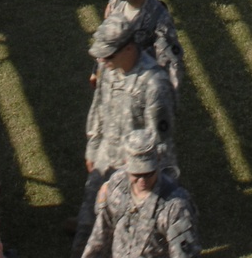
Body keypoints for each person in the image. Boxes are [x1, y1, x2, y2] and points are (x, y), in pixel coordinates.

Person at [70, 17, 178, 256]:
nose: (102, 61)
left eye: (108, 56)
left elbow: (161, 144)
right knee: (87, 232)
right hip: (104, 161)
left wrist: (128, 183)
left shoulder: (154, 85)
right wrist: (93, 147)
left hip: (133, 174)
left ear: (128, 48)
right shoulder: (110, 69)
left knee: (125, 240)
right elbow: (98, 107)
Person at [81, 130, 199, 258]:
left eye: (148, 173)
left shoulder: (175, 206)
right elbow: (101, 234)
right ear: (126, 162)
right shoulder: (117, 185)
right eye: (136, 174)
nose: (142, 180)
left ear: (158, 161)